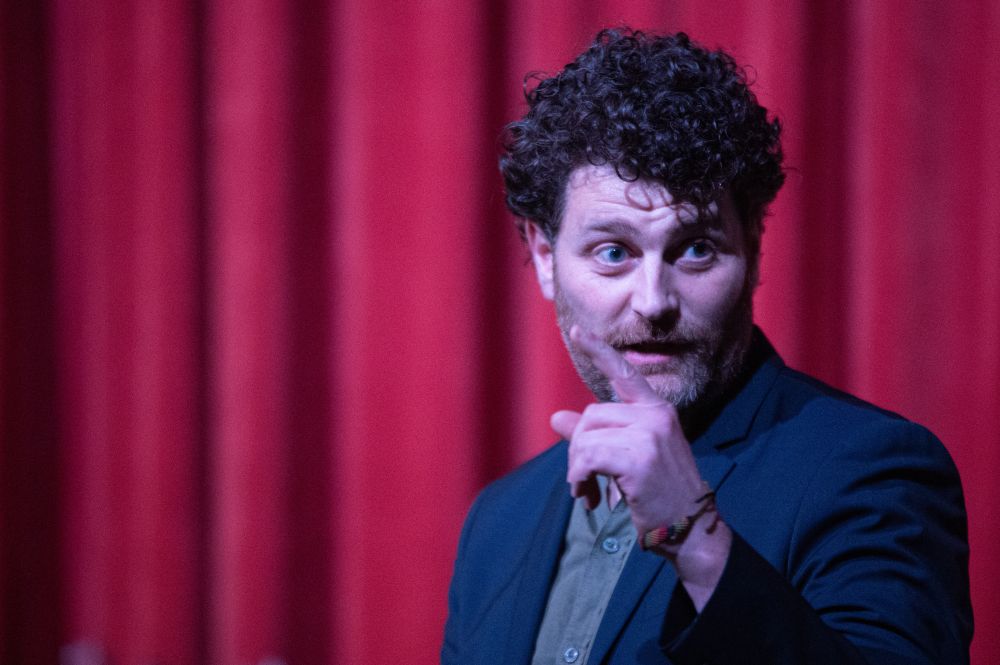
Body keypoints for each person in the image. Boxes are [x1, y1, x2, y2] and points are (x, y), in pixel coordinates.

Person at [441, 29, 972, 664]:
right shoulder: (500, 521)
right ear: (545, 256)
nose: (654, 302)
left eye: (696, 249)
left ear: (753, 250)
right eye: (613, 252)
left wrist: (694, 538)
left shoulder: (871, 470)